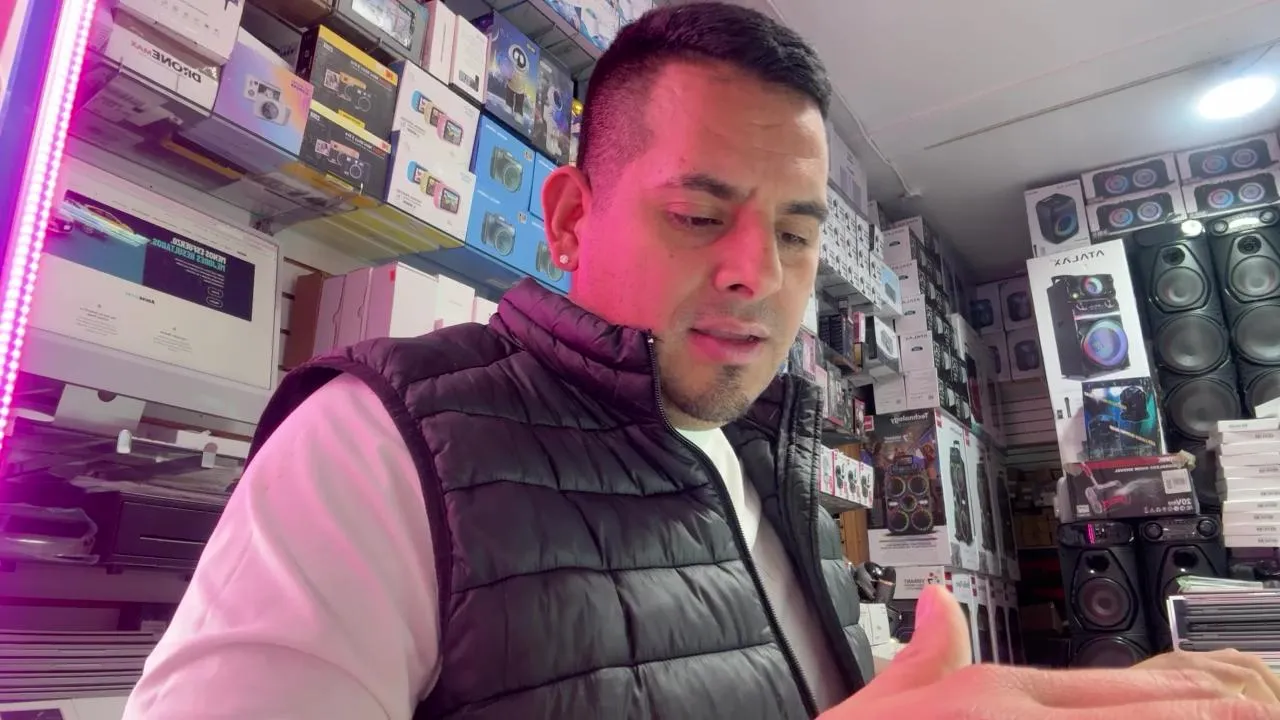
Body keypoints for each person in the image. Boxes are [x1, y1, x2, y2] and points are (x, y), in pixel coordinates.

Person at [124, 3, 1280, 718]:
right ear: (568, 218)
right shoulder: (379, 443)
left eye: (795, 233)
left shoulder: (765, 460)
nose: (756, 275)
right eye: (697, 215)